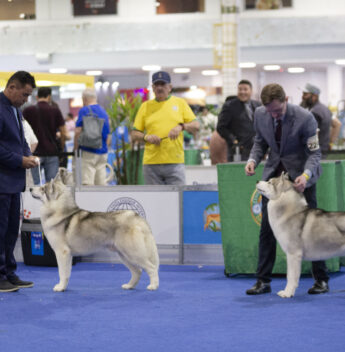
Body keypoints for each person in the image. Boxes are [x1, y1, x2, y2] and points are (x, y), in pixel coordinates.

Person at [245, 83, 329, 295]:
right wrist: (253, 160)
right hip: (275, 181)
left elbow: (315, 154)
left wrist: (306, 175)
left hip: (301, 179)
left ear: (286, 100)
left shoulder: (305, 118)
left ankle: (321, 280)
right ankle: (263, 281)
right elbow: (260, 142)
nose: (274, 115)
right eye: (270, 111)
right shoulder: (260, 114)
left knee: (313, 230)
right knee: (267, 230)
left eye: (278, 110)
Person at [0, 71, 39, 292]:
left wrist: (27, 155)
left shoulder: (15, 109)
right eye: (24, 95)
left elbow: (21, 139)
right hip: (2, 181)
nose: (26, 100)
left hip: (13, 182)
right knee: (0, 231)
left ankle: (9, 272)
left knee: (11, 230)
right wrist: (19, 160)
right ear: (12, 87)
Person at [131, 71, 199, 185]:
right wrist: (147, 137)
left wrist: (181, 127)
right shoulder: (145, 106)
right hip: (151, 164)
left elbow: (196, 126)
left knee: (178, 199)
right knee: (154, 200)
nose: (159, 88)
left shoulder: (180, 103)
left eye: (163, 84)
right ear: (152, 88)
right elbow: (134, 134)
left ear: (170, 87)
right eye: (156, 85)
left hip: (175, 163)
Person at [23, 87, 67, 184]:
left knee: (34, 185)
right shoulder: (55, 110)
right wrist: (62, 148)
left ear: (37, 96)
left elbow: (22, 130)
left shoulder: (28, 110)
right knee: (51, 186)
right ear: (49, 97)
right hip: (52, 151)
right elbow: (63, 132)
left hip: (34, 153)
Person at [216, 80, 261, 161]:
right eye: (240, 89)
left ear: (251, 91)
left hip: (256, 149)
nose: (242, 92)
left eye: (245, 89)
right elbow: (221, 127)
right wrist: (233, 140)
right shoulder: (229, 106)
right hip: (238, 151)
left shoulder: (258, 105)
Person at [74, 88, 111, 185]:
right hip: (103, 152)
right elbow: (108, 134)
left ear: (84, 99)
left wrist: (75, 148)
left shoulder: (85, 110)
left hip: (88, 151)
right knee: (101, 183)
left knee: (87, 183)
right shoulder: (104, 112)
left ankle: (88, 200)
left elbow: (78, 131)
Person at [301, 83, 341, 159]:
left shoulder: (314, 112)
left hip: (315, 155)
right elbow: (337, 124)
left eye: (305, 94)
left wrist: (311, 155)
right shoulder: (325, 109)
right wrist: (330, 143)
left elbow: (314, 134)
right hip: (323, 152)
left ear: (314, 96)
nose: (302, 97)